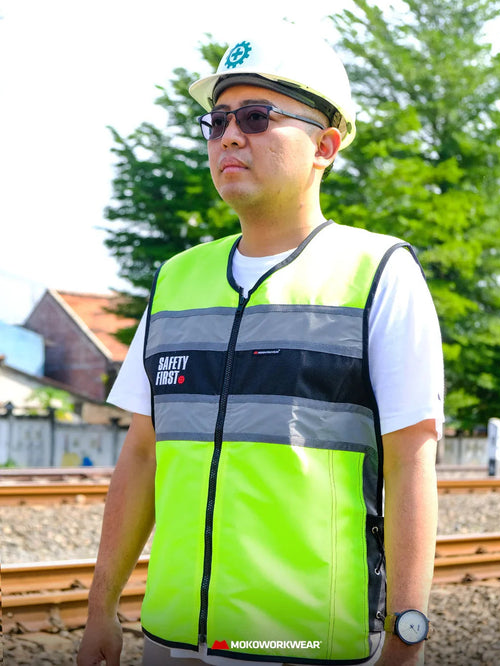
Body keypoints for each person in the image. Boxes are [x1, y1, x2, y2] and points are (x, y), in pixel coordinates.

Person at [77, 21, 444, 666]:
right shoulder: (177, 278)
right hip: (171, 640)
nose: (229, 137)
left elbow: (410, 463)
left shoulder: (379, 272)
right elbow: (140, 455)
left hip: (304, 643)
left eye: (255, 116)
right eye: (216, 123)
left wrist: (406, 641)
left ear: (325, 145)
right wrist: (100, 610)